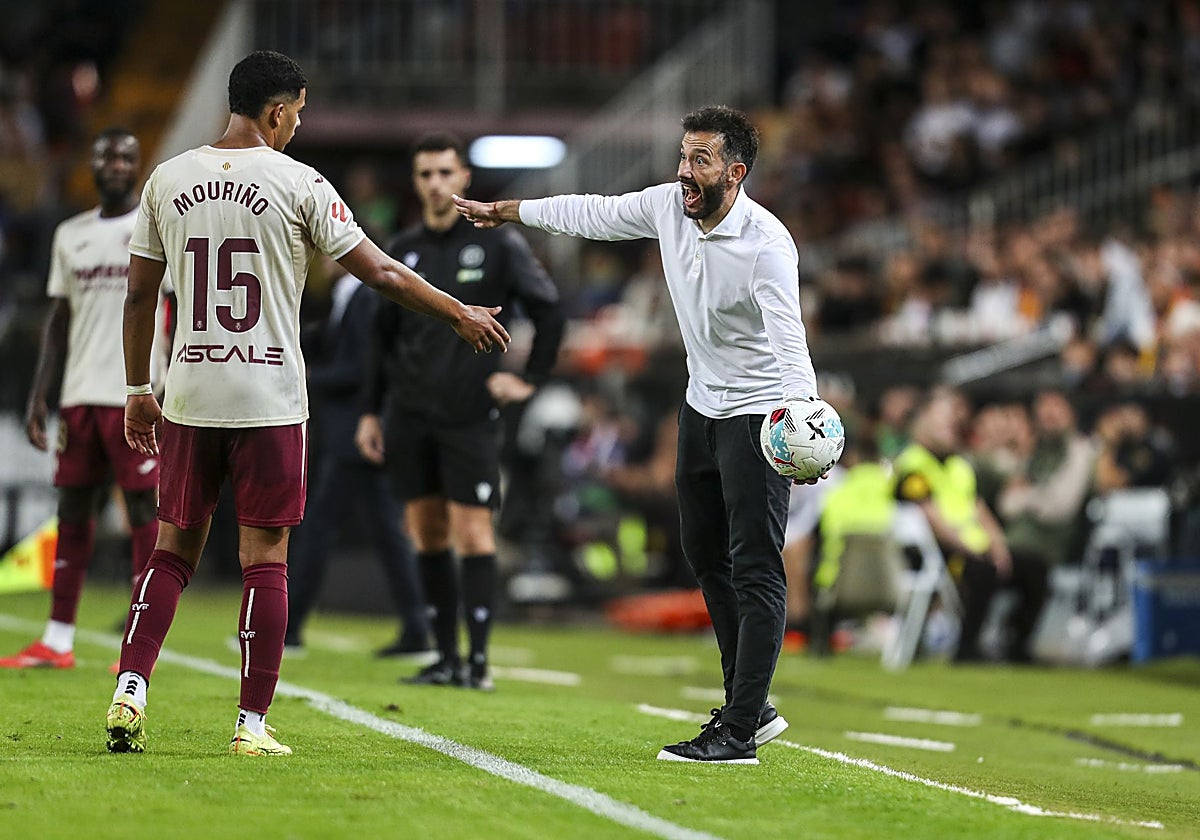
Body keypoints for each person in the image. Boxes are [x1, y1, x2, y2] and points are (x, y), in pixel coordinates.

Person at [108, 50, 509, 757]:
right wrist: (456, 313)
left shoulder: (167, 179)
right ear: (275, 111)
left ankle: (131, 686)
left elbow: (140, 296)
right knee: (266, 557)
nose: (298, 123)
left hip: (190, 392)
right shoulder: (300, 182)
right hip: (267, 395)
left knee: (172, 550)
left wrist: (140, 390)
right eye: (297, 111)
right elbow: (383, 270)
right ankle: (251, 724)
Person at [455, 106, 817, 763]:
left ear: (735, 173)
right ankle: (751, 706)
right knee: (705, 555)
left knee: (757, 563)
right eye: (683, 155)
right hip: (700, 407)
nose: (684, 170)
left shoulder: (768, 245)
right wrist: (509, 211)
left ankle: (738, 732)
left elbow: (790, 343)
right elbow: (590, 211)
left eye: (700, 159)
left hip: (759, 416)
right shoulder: (665, 207)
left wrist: (804, 420)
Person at [357, 132, 564, 691]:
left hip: (469, 413)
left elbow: (547, 306)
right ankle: (446, 657)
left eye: (445, 173)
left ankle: (478, 664)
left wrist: (529, 380)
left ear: (464, 178)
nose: (435, 184)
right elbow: (381, 339)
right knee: (426, 534)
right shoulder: (402, 249)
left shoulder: (499, 247)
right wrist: (371, 413)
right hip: (408, 412)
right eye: (425, 174)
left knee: (474, 534)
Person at [0, 128, 168, 671]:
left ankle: (140, 639)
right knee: (73, 511)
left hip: (135, 395)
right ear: (91, 166)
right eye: (106, 157)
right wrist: (39, 396)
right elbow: (60, 320)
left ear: (138, 165)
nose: (116, 165)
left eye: (126, 157)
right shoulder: (69, 234)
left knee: (144, 509)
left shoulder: (158, 227)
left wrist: (169, 384)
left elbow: (179, 311)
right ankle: (57, 639)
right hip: (78, 395)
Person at [284, 256, 430, 657]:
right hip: (354, 433)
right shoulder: (348, 296)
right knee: (385, 533)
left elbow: (363, 368)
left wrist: (309, 377)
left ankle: (289, 627)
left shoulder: (365, 297)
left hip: (356, 433)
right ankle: (418, 628)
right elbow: (334, 346)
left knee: (318, 528)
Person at [893, 389, 1048, 663]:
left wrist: (998, 546)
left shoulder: (959, 464)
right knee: (982, 571)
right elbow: (932, 518)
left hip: (975, 546)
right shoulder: (912, 463)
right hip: (941, 552)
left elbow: (978, 509)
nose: (951, 425)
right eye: (942, 419)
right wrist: (972, 550)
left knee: (1036, 568)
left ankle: (1017, 644)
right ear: (922, 422)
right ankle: (967, 647)